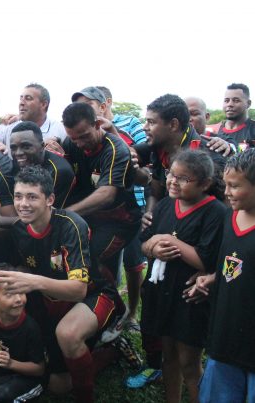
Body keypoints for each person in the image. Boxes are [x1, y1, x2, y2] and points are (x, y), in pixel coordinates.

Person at [0, 166, 121, 403]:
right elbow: (26, 268)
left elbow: (78, 290)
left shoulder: (71, 225)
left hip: (94, 296)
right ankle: (108, 353)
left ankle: (86, 397)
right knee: (57, 386)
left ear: (50, 199)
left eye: (32, 197)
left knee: (68, 334)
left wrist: (31, 281)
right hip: (52, 302)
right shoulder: (20, 229)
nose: (23, 204)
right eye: (18, 196)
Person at [139, 150, 225, 401]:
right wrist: (153, 245)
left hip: (190, 297)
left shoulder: (215, 213)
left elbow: (205, 260)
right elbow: (146, 245)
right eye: (170, 174)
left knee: (189, 362)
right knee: (169, 356)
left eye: (183, 178)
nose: (173, 182)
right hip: (163, 292)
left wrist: (166, 240)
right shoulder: (166, 204)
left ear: (205, 184)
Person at [61, 102, 141, 341]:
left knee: (90, 258)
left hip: (121, 221)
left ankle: (117, 311)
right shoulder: (70, 143)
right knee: (77, 260)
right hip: (90, 219)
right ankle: (98, 306)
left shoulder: (116, 149)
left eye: (84, 136)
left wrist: (65, 214)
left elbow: (107, 194)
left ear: (98, 124)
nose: (79, 143)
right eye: (73, 138)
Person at [186, 149, 255, 402]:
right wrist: (214, 278)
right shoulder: (230, 217)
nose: (226, 192)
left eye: (234, 186)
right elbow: (235, 263)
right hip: (224, 339)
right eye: (225, 184)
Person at [0, 263, 45, 403]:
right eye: (10, 294)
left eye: (21, 291)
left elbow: (39, 369)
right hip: (3, 375)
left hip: (31, 380)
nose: (18, 299)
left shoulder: (30, 327)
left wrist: (11, 363)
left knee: (2, 396)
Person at [9, 121, 74, 208]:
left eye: (26, 147)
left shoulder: (58, 171)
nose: (18, 153)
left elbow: (46, 213)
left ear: (42, 146)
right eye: (13, 148)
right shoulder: (16, 162)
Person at [0, 83, 67, 154]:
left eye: (28, 98)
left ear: (43, 104)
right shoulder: (9, 125)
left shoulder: (60, 130)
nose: (21, 103)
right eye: (21, 98)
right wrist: (2, 151)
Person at [215, 83, 255, 149]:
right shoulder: (213, 131)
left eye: (236, 100)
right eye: (226, 101)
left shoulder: (252, 130)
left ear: (248, 103)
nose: (229, 104)